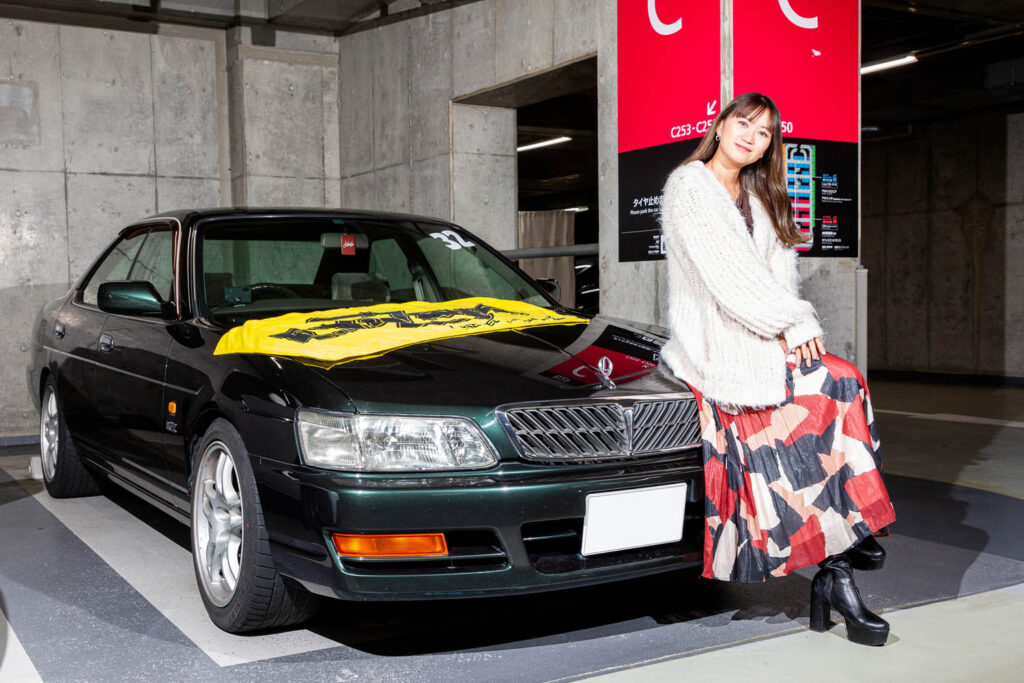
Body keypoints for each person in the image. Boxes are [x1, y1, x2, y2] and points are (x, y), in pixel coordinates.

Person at [659, 92, 895, 646]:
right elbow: (728, 280)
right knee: (821, 401)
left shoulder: (757, 196)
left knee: (845, 379)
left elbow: (773, 279)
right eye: (743, 123)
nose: (751, 137)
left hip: (761, 336)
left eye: (764, 133)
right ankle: (851, 543)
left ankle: (841, 562)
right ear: (720, 126)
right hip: (717, 347)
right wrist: (794, 324)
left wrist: (787, 334)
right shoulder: (689, 185)